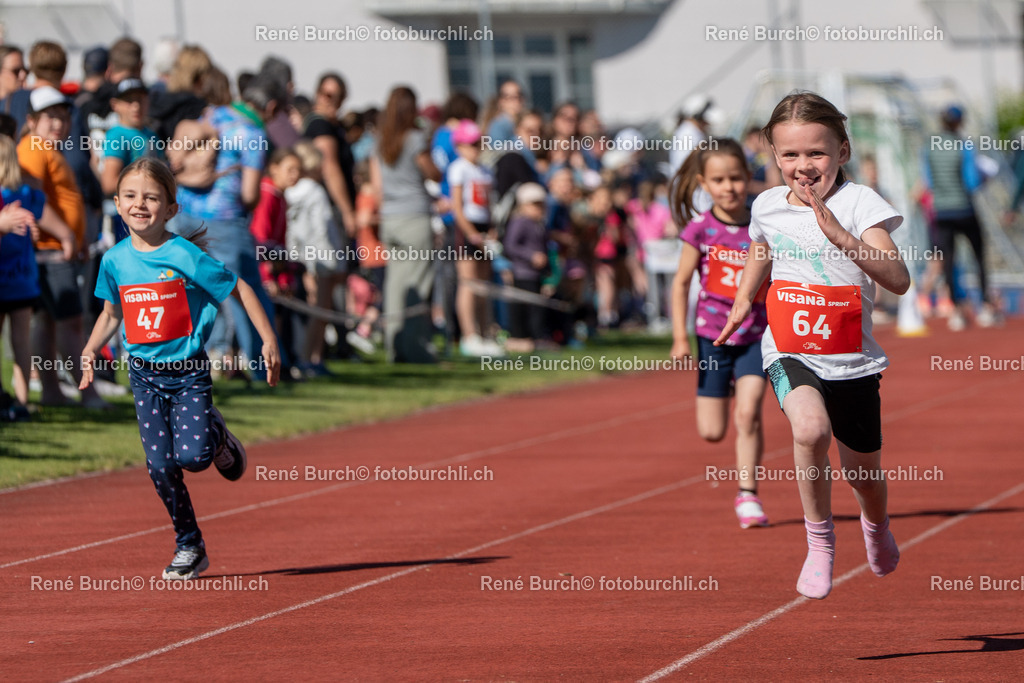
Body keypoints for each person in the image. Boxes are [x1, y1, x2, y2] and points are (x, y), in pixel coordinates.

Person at [716, 92, 909, 600]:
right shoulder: (766, 204)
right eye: (790, 156)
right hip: (788, 348)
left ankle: (876, 526)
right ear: (774, 157)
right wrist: (742, 299)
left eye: (816, 154)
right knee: (809, 429)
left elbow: (899, 279)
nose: (803, 167)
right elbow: (761, 247)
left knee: (864, 477)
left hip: (853, 361)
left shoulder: (861, 203)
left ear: (842, 151)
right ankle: (819, 543)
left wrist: (844, 238)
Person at [79, 157, 280, 580]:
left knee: (193, 457)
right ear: (117, 204)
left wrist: (268, 340)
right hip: (143, 375)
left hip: (187, 372)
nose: (139, 204)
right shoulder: (114, 260)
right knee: (160, 466)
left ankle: (216, 433)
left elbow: (238, 287)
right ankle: (189, 544)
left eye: (151, 198)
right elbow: (112, 313)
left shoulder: (183, 253)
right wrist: (91, 349)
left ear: (170, 209)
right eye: (130, 196)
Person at [669, 138, 770, 528]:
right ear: (703, 184)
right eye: (718, 180)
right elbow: (680, 284)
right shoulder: (700, 229)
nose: (728, 187)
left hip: (755, 336)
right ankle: (721, 386)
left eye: (736, 178)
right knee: (712, 431)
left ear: (748, 178)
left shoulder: (763, 226)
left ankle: (748, 495)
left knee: (749, 413)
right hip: (712, 336)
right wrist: (679, 337)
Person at [18, 86, 107, 408]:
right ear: (31, 121)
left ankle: (53, 391)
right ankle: (89, 393)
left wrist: (78, 237)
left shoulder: (49, 149)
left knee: (49, 323)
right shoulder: (33, 149)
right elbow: (32, 199)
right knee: (70, 322)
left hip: (55, 251)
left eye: (62, 117)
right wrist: (68, 235)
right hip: (49, 251)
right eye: (50, 117)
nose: (58, 123)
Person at [0, 134, 76, 417]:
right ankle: (21, 400)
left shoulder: (15, 195)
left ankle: (12, 400)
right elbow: (45, 215)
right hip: (22, 279)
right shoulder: (26, 193)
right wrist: (66, 236)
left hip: (7, 280)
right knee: (20, 342)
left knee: (13, 341)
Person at [369, 85, 441, 363]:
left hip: (391, 217)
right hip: (414, 216)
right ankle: (415, 347)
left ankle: (395, 345)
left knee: (396, 286)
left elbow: (377, 186)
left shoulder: (380, 142)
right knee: (418, 285)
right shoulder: (415, 139)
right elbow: (433, 173)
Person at [922, 105, 998, 330]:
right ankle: (985, 306)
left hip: (941, 211)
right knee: (979, 256)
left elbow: (928, 181)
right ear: (959, 122)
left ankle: (956, 310)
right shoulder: (964, 145)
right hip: (964, 209)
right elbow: (972, 181)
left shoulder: (928, 147)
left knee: (948, 261)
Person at [286, 141, 348, 370]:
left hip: (302, 258)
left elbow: (295, 232)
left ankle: (308, 357)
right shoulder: (315, 191)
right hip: (322, 258)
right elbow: (322, 230)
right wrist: (335, 262)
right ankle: (312, 358)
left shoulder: (291, 192)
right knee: (320, 312)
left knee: (312, 312)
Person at [448, 119, 501, 357]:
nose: (475, 148)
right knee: (468, 282)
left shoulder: (484, 170)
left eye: (478, 143)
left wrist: (490, 231)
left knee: (483, 284)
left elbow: (488, 204)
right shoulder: (459, 168)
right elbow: (457, 207)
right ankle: (469, 335)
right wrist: (470, 232)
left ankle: (485, 332)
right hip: (467, 228)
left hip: (482, 227)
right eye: (470, 144)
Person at [502, 182, 549, 352]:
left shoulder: (539, 224)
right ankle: (521, 338)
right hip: (522, 273)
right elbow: (510, 245)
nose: (539, 208)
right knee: (522, 308)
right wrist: (531, 256)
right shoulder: (520, 222)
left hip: (535, 274)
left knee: (536, 309)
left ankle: (535, 337)